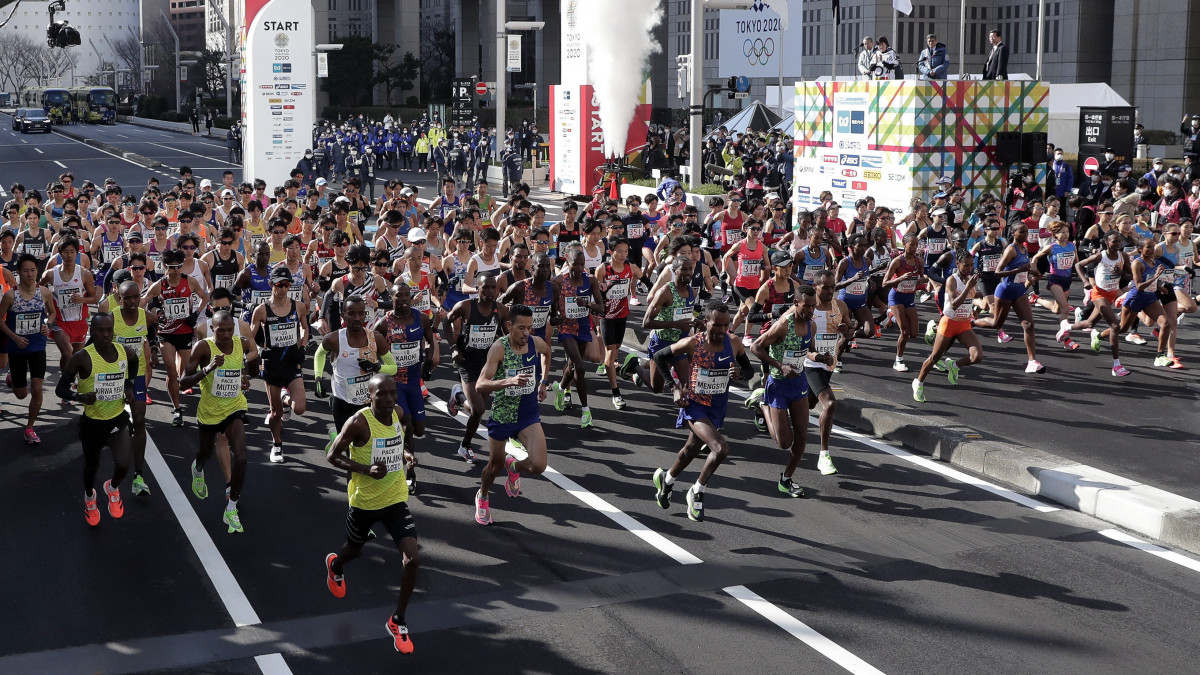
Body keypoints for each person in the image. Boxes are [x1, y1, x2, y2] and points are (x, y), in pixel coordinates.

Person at [323, 372, 419, 654]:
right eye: (382, 395)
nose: (389, 399)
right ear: (370, 397)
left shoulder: (399, 413)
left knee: (412, 559)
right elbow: (332, 455)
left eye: (393, 393)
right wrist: (365, 470)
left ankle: (398, 621)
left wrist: (406, 454)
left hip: (395, 499)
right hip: (364, 502)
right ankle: (335, 566)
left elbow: (402, 436)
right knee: (354, 551)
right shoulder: (359, 423)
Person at [649, 301, 751, 522]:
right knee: (720, 448)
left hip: (717, 406)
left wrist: (739, 374)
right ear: (706, 323)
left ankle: (666, 480)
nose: (722, 331)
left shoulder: (733, 343)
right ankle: (697, 491)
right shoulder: (692, 343)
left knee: (691, 449)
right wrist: (674, 388)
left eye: (726, 326)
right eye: (717, 325)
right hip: (694, 405)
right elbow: (659, 356)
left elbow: (749, 370)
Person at [180, 310, 260, 534]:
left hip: (235, 407)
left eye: (229, 330)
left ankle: (231, 507)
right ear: (212, 329)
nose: (225, 334)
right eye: (220, 330)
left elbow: (250, 371)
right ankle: (198, 469)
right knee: (205, 452)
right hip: (209, 411)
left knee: (242, 456)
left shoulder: (242, 343)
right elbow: (182, 382)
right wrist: (208, 369)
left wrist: (244, 378)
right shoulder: (203, 348)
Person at [473, 304, 553, 526]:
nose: (526, 333)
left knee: (539, 466)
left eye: (529, 327)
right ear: (509, 326)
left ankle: (514, 467)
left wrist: (543, 382)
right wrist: (507, 381)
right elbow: (480, 385)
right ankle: (483, 496)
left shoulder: (535, 344)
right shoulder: (499, 348)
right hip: (503, 414)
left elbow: (547, 352)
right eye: (521, 328)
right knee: (493, 466)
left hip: (528, 414)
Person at [56, 313, 139, 527]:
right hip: (92, 423)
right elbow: (60, 389)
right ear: (92, 332)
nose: (105, 334)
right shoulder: (82, 357)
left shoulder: (123, 352)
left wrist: (129, 386)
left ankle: (112, 488)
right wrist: (79, 396)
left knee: (123, 464)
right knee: (91, 467)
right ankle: (89, 498)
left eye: (109, 330)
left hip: (117, 419)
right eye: (100, 330)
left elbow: (134, 363)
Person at [747, 285, 817, 497]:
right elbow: (756, 347)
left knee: (803, 434)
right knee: (784, 442)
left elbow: (809, 352)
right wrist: (780, 366)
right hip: (778, 385)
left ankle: (786, 480)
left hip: (798, 384)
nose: (810, 311)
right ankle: (762, 403)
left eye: (813, 307)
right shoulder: (782, 326)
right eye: (806, 306)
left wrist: (820, 357)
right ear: (796, 304)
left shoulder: (811, 324)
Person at [374, 282, 436, 490]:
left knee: (419, 430)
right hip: (394, 384)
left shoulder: (422, 319)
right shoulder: (384, 323)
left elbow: (430, 340)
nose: (403, 300)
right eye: (398, 296)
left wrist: (428, 360)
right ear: (391, 299)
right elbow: (371, 343)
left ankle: (403, 449)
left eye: (406, 295)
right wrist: (377, 369)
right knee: (408, 423)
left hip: (414, 381)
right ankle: (410, 470)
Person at [315, 296, 397, 452]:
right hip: (342, 401)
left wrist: (376, 366)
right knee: (346, 448)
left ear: (366, 315)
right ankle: (335, 437)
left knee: (364, 447)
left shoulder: (376, 339)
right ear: (343, 315)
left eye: (361, 313)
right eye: (351, 313)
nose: (357, 318)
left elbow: (393, 368)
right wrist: (318, 377)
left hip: (368, 402)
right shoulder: (334, 339)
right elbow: (319, 354)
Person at [142, 248, 210, 427]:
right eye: (171, 267)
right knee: (171, 372)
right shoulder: (160, 284)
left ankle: (178, 396)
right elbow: (145, 299)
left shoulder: (190, 281)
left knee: (184, 374)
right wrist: (132, 308)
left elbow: (205, 297)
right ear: (165, 266)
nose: (175, 271)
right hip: (166, 334)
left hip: (186, 332)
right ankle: (177, 408)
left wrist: (195, 314)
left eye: (178, 267)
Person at [250, 266, 310, 464]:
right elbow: (250, 337)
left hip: (292, 363)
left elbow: (304, 328)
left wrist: (302, 346)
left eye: (286, 284)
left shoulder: (298, 306)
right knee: (276, 413)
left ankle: (286, 398)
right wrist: (257, 350)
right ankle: (277, 445)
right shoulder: (261, 311)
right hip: (272, 365)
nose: (283, 289)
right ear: (271, 285)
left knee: (299, 408)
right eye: (279, 285)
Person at [444, 273, 507, 460]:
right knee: (479, 409)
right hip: (467, 361)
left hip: (487, 363)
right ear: (477, 288)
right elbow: (446, 323)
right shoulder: (465, 306)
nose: (489, 291)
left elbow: (506, 334)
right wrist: (454, 347)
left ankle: (458, 396)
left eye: (493, 288)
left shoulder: (501, 310)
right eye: (485, 287)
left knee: (475, 409)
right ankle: (465, 445)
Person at [973, 223, 1046, 373]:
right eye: (1022, 232)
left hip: (1019, 291)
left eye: (1026, 232)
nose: (1025, 234)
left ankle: (1032, 361)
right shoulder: (1011, 250)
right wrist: (1019, 270)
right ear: (1013, 233)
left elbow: (1024, 270)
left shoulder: (1024, 249)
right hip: (1005, 291)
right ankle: (972, 322)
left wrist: (1034, 274)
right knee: (995, 323)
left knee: (1029, 325)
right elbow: (997, 273)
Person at [0, 253, 57, 444]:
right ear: (19, 273)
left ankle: (30, 428)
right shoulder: (10, 296)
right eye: (26, 271)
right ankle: (13, 380)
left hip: (37, 346)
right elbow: (0, 321)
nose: (30, 274)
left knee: (38, 388)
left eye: (33, 270)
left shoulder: (44, 293)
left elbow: (52, 313)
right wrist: (15, 338)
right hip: (17, 348)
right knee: (21, 394)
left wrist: (47, 324)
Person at [111, 280, 160, 496]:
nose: (132, 301)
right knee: (111, 424)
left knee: (139, 419)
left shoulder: (145, 316)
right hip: (113, 376)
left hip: (137, 374)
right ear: (119, 299)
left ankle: (139, 474)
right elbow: (94, 344)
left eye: (135, 297)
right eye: (127, 298)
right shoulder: (111, 318)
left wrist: (155, 350)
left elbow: (153, 331)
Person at [912, 255, 983, 402]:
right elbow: (954, 304)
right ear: (957, 264)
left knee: (977, 356)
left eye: (971, 266)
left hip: (964, 324)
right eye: (966, 266)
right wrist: (969, 287)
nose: (969, 269)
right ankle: (918, 383)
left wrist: (972, 310)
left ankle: (953, 364)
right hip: (949, 324)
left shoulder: (970, 280)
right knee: (935, 357)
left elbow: (970, 298)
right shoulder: (952, 280)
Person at [551, 244, 605, 428]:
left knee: (573, 365)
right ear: (568, 262)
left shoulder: (590, 281)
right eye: (576, 264)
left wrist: (587, 304)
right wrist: (555, 316)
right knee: (580, 367)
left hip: (582, 327)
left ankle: (560, 386)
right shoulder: (559, 281)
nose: (580, 268)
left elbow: (601, 308)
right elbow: (553, 306)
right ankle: (586, 410)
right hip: (566, 328)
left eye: (582, 265)